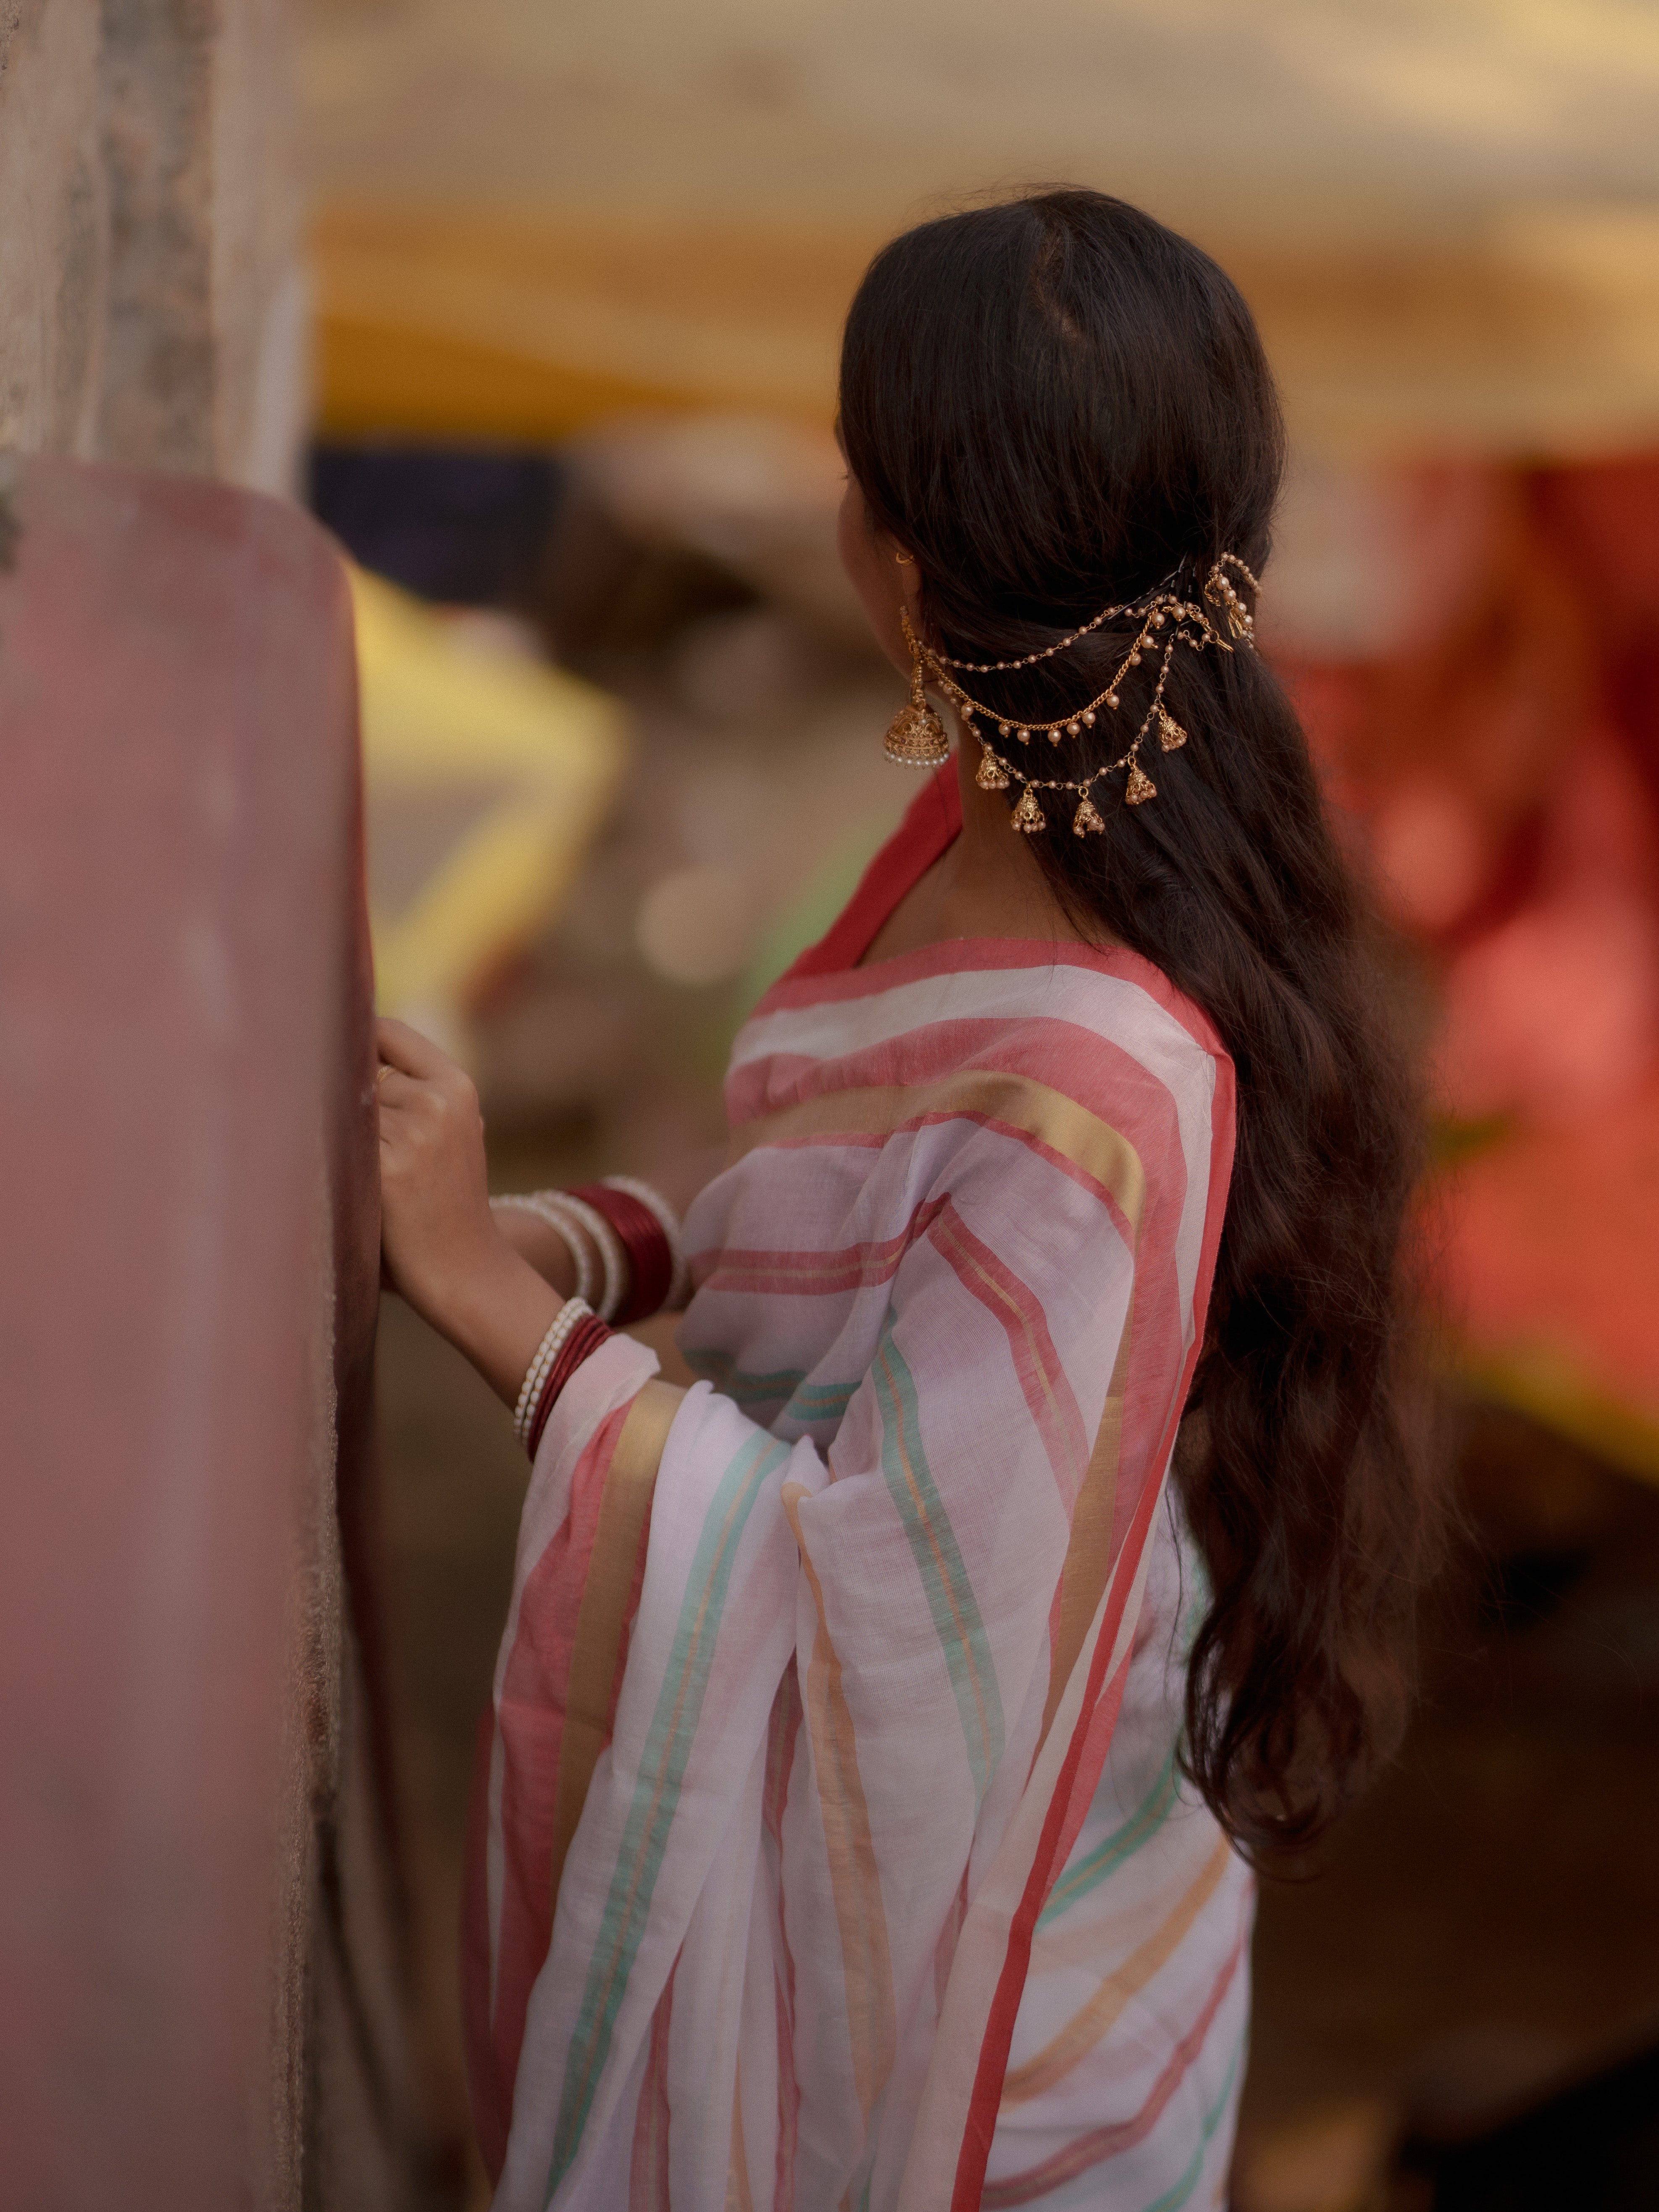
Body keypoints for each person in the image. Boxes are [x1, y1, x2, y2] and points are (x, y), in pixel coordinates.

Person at [376, 189, 1434, 2212]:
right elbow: (839, 1209)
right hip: (1077, 1823)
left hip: (999, 2024)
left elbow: (876, 1608)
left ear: (897, 562)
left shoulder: (1100, 1091)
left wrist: (473, 1302)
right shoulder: (990, 849)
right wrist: (571, 1244)